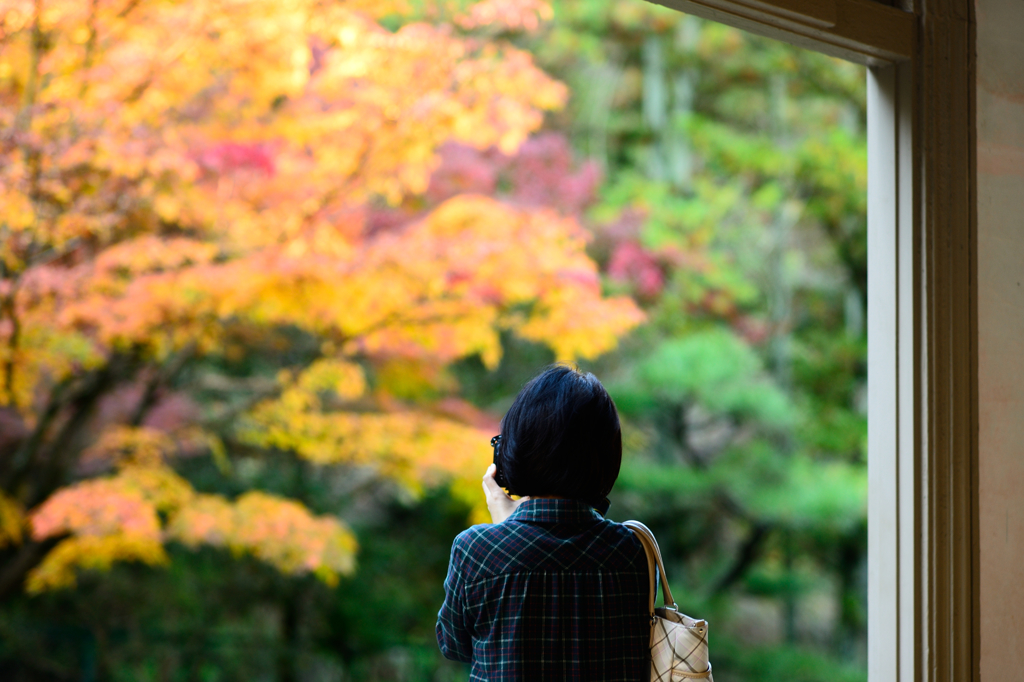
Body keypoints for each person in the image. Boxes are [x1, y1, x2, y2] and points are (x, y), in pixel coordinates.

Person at [436, 365, 649, 681]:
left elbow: (454, 645)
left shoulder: (474, 549)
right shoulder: (632, 551)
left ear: (512, 450)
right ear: (607, 458)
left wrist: (503, 528)